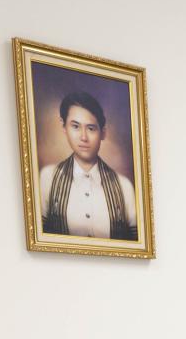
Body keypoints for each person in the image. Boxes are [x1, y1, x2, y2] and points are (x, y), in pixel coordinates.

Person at [37, 91, 137, 241]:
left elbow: (135, 243)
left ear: (103, 133)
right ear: (64, 127)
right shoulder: (48, 178)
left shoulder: (124, 186)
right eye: (75, 126)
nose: (83, 137)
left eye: (91, 128)